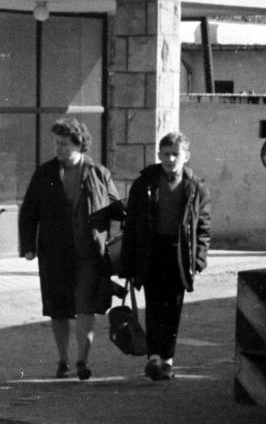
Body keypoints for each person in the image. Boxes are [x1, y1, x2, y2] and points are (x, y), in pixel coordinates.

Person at [19, 117, 125, 380]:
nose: (59, 148)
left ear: (79, 144)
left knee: (86, 307)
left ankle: (82, 361)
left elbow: (117, 210)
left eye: (64, 144)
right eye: (56, 143)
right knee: (58, 308)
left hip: (90, 254)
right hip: (55, 253)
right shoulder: (45, 174)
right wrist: (28, 246)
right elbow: (29, 211)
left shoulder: (99, 173)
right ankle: (63, 360)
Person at [119, 132, 210, 381]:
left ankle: (167, 359)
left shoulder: (195, 187)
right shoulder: (144, 184)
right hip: (152, 251)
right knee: (154, 306)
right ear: (158, 155)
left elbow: (203, 227)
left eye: (175, 154)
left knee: (173, 308)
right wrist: (128, 264)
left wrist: (199, 259)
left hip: (179, 254)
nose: (170, 159)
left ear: (186, 157)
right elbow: (132, 226)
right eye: (166, 154)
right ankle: (154, 357)